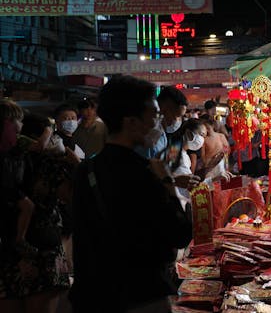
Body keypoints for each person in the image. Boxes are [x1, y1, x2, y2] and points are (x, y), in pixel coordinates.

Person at [69, 75, 193, 313]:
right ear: (131, 121)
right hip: (140, 295)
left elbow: (83, 238)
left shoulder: (86, 170)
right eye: (154, 114)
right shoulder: (146, 173)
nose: (158, 121)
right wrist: (167, 182)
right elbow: (179, 234)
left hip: (94, 297)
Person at [1, 100, 71, 313]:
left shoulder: (10, 155)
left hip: (7, 247)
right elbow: (69, 196)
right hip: (43, 248)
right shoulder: (50, 163)